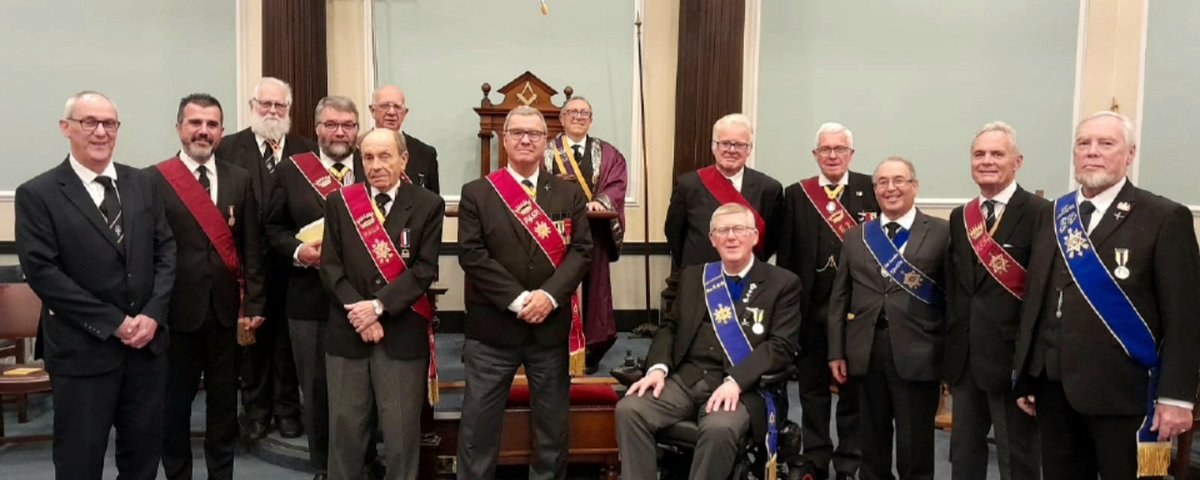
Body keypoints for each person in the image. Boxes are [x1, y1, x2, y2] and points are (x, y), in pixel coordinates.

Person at [1012, 111, 1200, 479]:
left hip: (1126, 393)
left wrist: (1176, 397)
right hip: (1053, 387)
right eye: (1084, 143)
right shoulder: (1054, 215)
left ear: (1130, 154)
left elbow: (1185, 317)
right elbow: (1037, 300)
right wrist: (1027, 373)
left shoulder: (1164, 217)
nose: (1092, 151)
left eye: (1106, 143)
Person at [15, 91, 176, 479]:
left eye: (109, 123)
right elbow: (43, 273)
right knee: (79, 463)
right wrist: (114, 322)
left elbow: (166, 251)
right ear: (65, 128)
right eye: (89, 122)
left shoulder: (143, 183)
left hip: (146, 351)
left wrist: (153, 314)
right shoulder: (38, 194)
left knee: (142, 461)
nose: (101, 132)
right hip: (82, 352)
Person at [616, 203, 801, 478]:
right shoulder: (695, 277)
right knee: (630, 410)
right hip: (685, 379)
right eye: (722, 231)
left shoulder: (782, 283)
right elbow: (670, 328)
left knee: (719, 428)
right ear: (713, 240)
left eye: (739, 229)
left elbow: (781, 346)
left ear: (754, 236)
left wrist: (736, 381)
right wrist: (657, 368)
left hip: (744, 387)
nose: (731, 237)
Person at [456, 105, 592, 479]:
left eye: (534, 133)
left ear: (546, 141)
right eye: (517, 132)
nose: (526, 140)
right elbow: (472, 255)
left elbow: (582, 251)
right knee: (478, 429)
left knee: (552, 429)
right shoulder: (477, 193)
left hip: (549, 328)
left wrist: (548, 297)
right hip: (493, 330)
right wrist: (518, 301)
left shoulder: (568, 193)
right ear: (505, 139)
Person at [151, 93, 266, 480]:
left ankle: (222, 474)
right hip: (173, 316)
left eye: (212, 124)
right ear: (179, 128)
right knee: (174, 408)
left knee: (223, 408)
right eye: (195, 123)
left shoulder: (239, 178)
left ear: (222, 131)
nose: (203, 131)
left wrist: (254, 304)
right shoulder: (153, 179)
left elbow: (251, 247)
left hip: (225, 315)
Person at [320, 128, 444, 480]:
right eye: (368, 157)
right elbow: (330, 268)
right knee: (345, 434)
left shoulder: (428, 204)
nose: (375, 165)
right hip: (348, 332)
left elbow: (424, 270)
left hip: (401, 334)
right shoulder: (341, 202)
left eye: (385, 156)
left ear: (403, 159)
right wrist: (360, 313)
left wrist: (377, 307)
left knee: (401, 437)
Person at [827, 157, 949, 480]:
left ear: (914, 186)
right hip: (865, 352)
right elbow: (840, 297)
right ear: (875, 189)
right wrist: (836, 351)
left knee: (915, 446)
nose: (890, 188)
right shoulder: (857, 235)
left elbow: (953, 297)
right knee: (870, 442)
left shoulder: (942, 232)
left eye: (899, 180)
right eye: (882, 182)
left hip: (919, 352)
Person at [265, 95, 366, 479]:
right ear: (317, 128)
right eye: (331, 125)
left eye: (348, 125)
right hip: (310, 299)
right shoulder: (292, 171)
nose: (340, 132)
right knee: (318, 388)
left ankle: (364, 460)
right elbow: (271, 228)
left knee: (364, 386)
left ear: (357, 130)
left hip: (364, 300)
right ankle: (324, 465)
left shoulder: (372, 165)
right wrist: (297, 251)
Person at [943, 122, 1044, 479]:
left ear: (1017, 161)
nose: (986, 161)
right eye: (979, 154)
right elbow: (956, 288)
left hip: (1013, 362)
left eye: (997, 154)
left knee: (1018, 460)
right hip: (966, 358)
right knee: (964, 456)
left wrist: (1033, 367)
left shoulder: (1040, 213)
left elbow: (1042, 295)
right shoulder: (960, 217)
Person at [777, 122, 877, 480]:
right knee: (812, 389)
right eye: (825, 149)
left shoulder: (871, 188)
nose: (832, 155)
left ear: (851, 154)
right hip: (811, 309)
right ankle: (816, 457)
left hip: (856, 312)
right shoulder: (796, 194)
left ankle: (849, 461)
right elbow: (787, 257)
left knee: (853, 390)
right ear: (815, 154)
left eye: (840, 149)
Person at [215, 77, 311, 442]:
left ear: (289, 109)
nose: (272, 111)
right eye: (265, 104)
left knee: (287, 341)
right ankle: (255, 411)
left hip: (293, 264)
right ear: (252, 107)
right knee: (250, 342)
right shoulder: (228, 148)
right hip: (244, 262)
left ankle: (287, 409)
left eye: (279, 105)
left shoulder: (306, 151)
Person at [664, 113, 784, 314]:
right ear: (714, 146)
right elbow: (674, 233)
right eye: (725, 143)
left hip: (749, 283)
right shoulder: (688, 185)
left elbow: (771, 239)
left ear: (749, 149)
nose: (731, 150)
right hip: (701, 281)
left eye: (739, 145)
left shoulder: (769, 188)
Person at [543, 95, 627, 374]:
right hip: (553, 234)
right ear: (562, 118)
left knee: (594, 290)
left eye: (584, 113)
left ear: (591, 120)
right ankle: (552, 347)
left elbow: (616, 184)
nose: (578, 117)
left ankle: (590, 349)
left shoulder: (608, 153)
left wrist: (601, 202)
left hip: (593, 233)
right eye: (572, 112)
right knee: (554, 284)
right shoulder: (545, 151)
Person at [368, 85, 439, 194]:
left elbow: (433, 200)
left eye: (397, 107)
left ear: (405, 113)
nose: (391, 112)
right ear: (372, 111)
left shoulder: (425, 154)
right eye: (384, 106)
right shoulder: (357, 149)